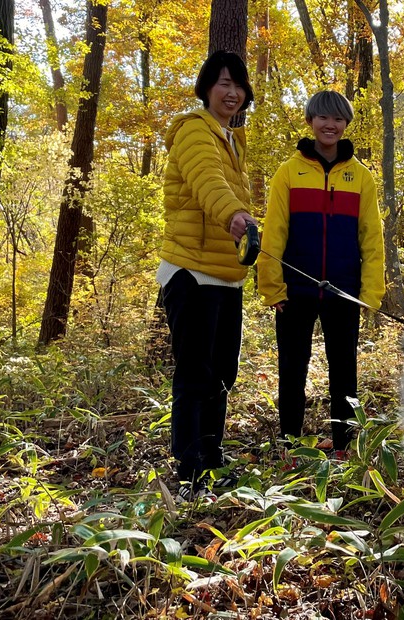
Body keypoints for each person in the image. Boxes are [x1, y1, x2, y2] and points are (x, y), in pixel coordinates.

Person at [257, 90, 385, 461]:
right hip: (294, 290)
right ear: (311, 122)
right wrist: (272, 286)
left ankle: (344, 447)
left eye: (338, 119)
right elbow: (274, 233)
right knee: (291, 370)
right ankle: (290, 447)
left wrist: (370, 293)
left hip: (344, 292)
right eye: (323, 118)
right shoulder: (288, 172)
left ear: (346, 125)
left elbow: (371, 239)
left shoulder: (360, 178)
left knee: (344, 372)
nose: (330, 125)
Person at [158, 51, 258, 498]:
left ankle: (212, 458)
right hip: (192, 273)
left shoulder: (232, 141)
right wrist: (235, 215)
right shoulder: (195, 131)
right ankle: (189, 469)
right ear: (206, 88)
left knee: (222, 374)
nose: (231, 91)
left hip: (225, 275)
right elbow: (207, 183)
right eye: (222, 82)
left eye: (237, 84)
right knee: (196, 374)